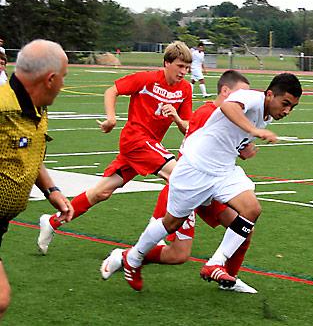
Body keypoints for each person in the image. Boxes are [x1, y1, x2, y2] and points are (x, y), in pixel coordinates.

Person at [114, 73, 302, 292]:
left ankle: (215, 263)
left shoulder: (267, 115)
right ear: (269, 94)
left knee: (252, 209)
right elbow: (228, 108)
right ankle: (134, 257)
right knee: (170, 223)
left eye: (292, 107)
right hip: (195, 168)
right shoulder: (250, 98)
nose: (287, 111)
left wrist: (244, 146)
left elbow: (228, 134)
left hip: (223, 171)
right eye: (285, 103)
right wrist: (254, 131)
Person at [37, 41, 193, 255]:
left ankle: (52, 222)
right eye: (180, 66)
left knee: (101, 192)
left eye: (187, 67)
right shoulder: (146, 79)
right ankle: (155, 237)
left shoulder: (185, 89)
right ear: (166, 63)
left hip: (148, 147)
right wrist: (111, 119)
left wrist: (176, 117)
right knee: (179, 176)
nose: (184, 72)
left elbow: (187, 128)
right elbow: (112, 90)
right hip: (135, 140)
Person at [0, 39, 73, 319]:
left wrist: (51, 190)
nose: (63, 85)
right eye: (63, 78)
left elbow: (30, 152)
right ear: (50, 79)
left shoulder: (38, 110)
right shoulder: (2, 108)